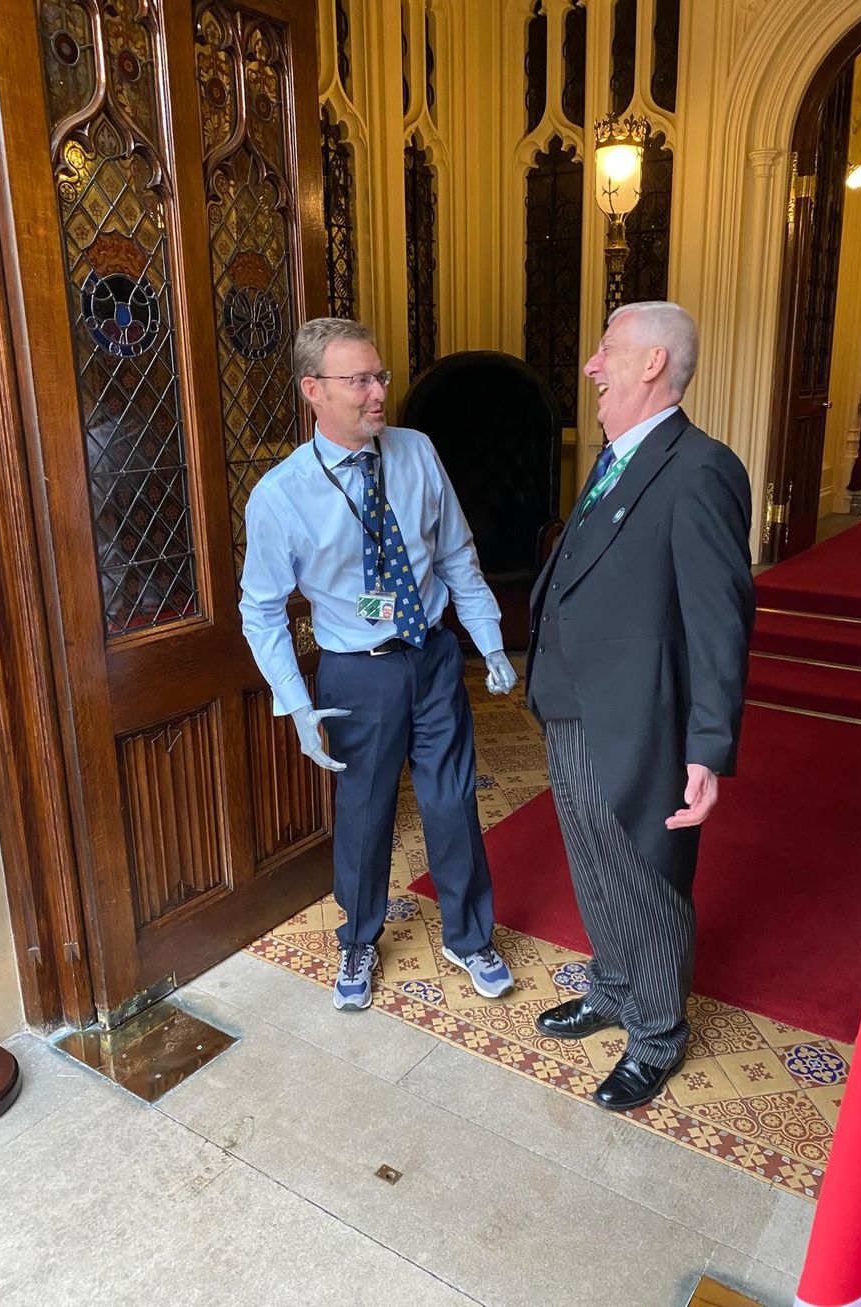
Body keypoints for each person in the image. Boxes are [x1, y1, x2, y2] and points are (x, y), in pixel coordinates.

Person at [240, 317, 518, 1012]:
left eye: (380, 375)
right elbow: (261, 610)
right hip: (356, 672)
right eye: (359, 379)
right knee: (364, 810)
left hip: (431, 656)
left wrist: (487, 639)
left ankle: (468, 932)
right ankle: (360, 936)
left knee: (452, 796)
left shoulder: (417, 451)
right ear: (314, 390)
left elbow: (456, 554)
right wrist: (296, 703)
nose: (377, 392)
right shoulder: (281, 494)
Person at [527, 301, 754, 1111]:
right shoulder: (617, 456)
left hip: (641, 719)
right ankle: (614, 987)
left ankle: (657, 1032)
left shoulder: (701, 468)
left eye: (607, 349)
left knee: (648, 877)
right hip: (573, 705)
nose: (592, 365)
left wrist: (708, 746)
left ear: (653, 362)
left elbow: (719, 620)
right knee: (593, 861)